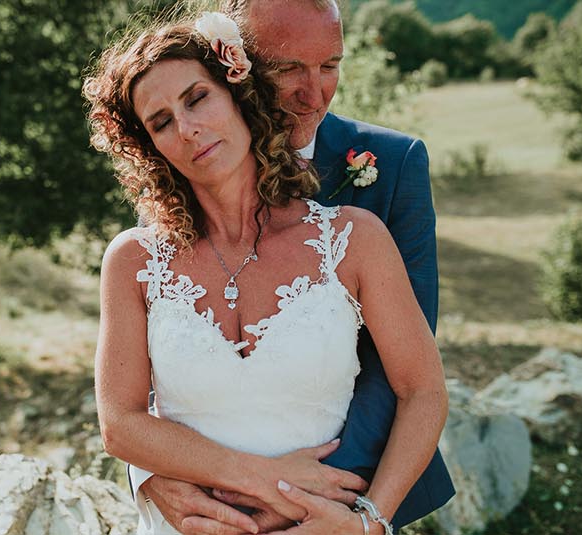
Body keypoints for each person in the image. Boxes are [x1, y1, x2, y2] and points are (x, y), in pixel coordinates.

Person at [84, 11, 448, 535]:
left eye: (197, 98)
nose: (187, 129)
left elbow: (421, 389)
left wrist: (366, 524)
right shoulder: (134, 259)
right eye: (161, 123)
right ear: (150, 147)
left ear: (240, 94)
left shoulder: (355, 235)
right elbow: (121, 422)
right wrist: (256, 480)